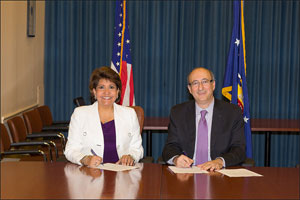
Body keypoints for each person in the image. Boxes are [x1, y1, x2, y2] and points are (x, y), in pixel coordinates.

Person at [162, 67, 246, 171]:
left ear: (213, 85)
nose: (200, 87)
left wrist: (220, 161)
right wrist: (176, 159)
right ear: (190, 89)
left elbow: (239, 150)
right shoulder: (178, 112)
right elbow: (170, 147)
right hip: (187, 174)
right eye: (195, 83)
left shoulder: (232, 113)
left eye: (205, 82)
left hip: (218, 174)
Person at [64, 66, 143, 167]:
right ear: (94, 91)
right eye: (101, 87)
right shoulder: (80, 114)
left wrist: (131, 156)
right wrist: (85, 159)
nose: (107, 92)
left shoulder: (130, 114)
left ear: (117, 91)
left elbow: (137, 149)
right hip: (90, 175)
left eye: (111, 87)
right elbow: (70, 150)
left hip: (122, 174)